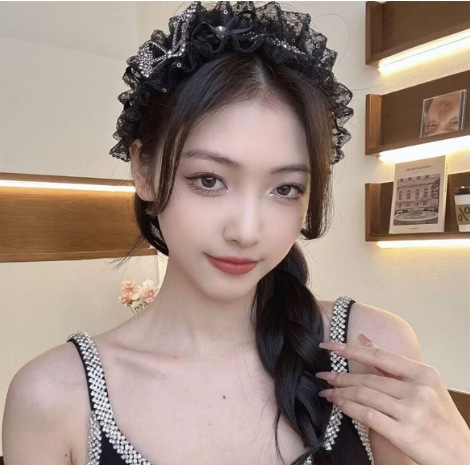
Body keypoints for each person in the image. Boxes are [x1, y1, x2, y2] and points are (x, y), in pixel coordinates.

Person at [2, 2, 469, 465]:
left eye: (285, 188)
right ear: (143, 170)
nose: (246, 231)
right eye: (209, 180)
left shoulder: (370, 350)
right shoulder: (54, 397)